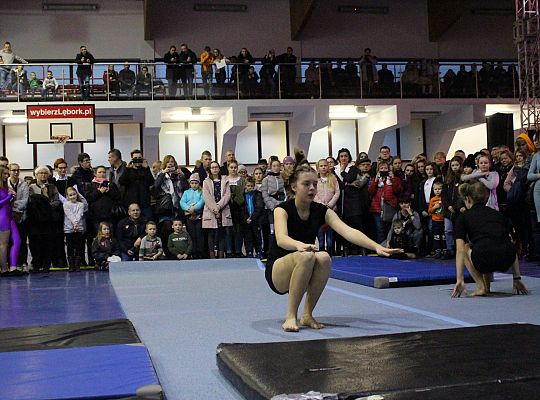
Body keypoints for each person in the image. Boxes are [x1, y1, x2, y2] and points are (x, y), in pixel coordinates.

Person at [267, 160, 401, 332]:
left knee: (323, 257)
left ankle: (307, 315)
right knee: (307, 255)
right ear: (294, 187)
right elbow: (281, 239)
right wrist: (300, 245)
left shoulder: (321, 210)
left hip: (303, 260)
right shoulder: (282, 210)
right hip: (278, 271)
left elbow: (347, 231)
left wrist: (376, 246)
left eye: (315, 184)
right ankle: (291, 316)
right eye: (306, 184)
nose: (312, 188)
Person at [452, 182, 528, 297]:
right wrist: (517, 278)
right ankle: (489, 286)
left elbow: (460, 250)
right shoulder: (498, 214)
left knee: (469, 247)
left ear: (468, 199)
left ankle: (481, 286)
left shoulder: (463, 217)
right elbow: (512, 243)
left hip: (484, 257)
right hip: (506, 259)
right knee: (499, 243)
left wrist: (460, 279)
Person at [27, 166, 62, 272]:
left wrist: (46, 205)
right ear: (36, 175)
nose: (43, 175)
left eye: (45, 173)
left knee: (48, 242)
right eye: (41, 173)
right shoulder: (31, 187)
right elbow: (31, 202)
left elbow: (57, 201)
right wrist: (44, 204)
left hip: (49, 219)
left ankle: (47, 264)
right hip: (35, 219)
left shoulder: (52, 187)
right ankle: (36, 264)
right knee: (35, 243)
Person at [202, 161, 232, 258]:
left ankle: (220, 254)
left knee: (222, 232)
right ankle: (212, 255)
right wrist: (215, 209)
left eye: (216, 167)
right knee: (211, 233)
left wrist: (219, 207)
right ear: (210, 170)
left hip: (223, 209)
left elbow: (227, 195)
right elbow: (207, 197)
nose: (215, 169)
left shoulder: (225, 180)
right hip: (211, 211)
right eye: (212, 167)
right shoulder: (206, 182)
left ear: (219, 168)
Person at [368, 161, 402, 244]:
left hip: (390, 208)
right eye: (381, 168)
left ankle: (391, 246)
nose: (383, 170)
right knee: (380, 230)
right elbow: (370, 192)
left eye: (385, 168)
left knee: (390, 229)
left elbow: (398, 190)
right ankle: (381, 248)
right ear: (378, 170)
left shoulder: (395, 179)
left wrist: (392, 178)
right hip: (377, 209)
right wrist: (376, 181)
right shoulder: (374, 180)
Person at [119, 149, 154, 222]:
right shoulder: (128, 170)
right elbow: (121, 182)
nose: (137, 160)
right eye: (135, 159)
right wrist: (127, 169)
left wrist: (147, 168)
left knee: (147, 223)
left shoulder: (145, 170)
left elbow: (151, 182)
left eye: (139, 158)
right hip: (131, 204)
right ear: (132, 160)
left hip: (144, 203)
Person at [314, 159, 340, 255]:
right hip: (319, 210)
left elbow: (337, 192)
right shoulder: (316, 180)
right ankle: (321, 249)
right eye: (321, 166)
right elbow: (314, 194)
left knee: (330, 233)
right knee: (320, 232)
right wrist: (321, 204)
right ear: (318, 168)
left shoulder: (333, 178)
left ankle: (330, 250)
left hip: (331, 209)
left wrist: (330, 204)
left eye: (325, 165)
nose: (323, 167)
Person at [85, 165, 121, 233]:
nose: (102, 174)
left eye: (104, 172)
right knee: (98, 235)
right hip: (96, 216)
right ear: (95, 174)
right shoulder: (90, 185)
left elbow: (117, 197)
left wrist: (109, 191)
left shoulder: (111, 184)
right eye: (100, 172)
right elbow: (88, 198)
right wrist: (99, 192)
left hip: (110, 215)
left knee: (110, 234)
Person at [0, 165, 22, 276]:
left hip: (9, 216)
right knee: (3, 244)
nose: (7, 176)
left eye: (7, 174)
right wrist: (9, 197)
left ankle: (13, 267)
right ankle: (4, 269)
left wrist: (11, 197)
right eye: (4, 174)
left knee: (17, 240)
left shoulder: (4, 186)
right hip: (2, 217)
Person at [7, 163, 29, 270]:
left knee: (22, 240)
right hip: (7, 217)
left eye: (17, 170)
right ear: (9, 171)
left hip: (21, 216)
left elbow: (24, 202)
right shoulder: (5, 183)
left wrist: (12, 205)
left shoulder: (24, 184)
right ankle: (11, 263)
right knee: (9, 241)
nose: (16, 172)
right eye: (13, 170)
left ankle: (23, 262)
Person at [442, 156, 464, 259]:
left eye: (456, 165)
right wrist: (448, 205)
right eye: (453, 165)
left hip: (459, 210)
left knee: (459, 230)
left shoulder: (463, 178)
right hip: (448, 210)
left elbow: (462, 195)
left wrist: (455, 207)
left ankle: (459, 249)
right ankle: (449, 249)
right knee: (448, 230)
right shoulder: (447, 179)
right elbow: (444, 195)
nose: (455, 167)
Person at [180, 173, 205, 259]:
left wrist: (194, 208)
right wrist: (188, 209)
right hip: (189, 216)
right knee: (191, 234)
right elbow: (182, 202)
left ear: (199, 183)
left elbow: (202, 202)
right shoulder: (186, 192)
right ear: (190, 183)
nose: (194, 185)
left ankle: (200, 251)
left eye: (196, 183)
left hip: (198, 215)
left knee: (199, 234)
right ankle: (193, 251)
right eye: (192, 183)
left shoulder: (201, 192)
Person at [63, 187, 88, 271]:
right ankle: (71, 265)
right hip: (69, 228)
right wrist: (74, 223)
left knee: (79, 246)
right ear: (67, 196)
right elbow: (69, 214)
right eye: (70, 195)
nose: (73, 196)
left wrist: (76, 224)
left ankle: (77, 265)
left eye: (74, 194)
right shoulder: (66, 204)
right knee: (70, 246)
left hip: (79, 228)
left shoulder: (81, 204)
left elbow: (80, 214)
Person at [242, 177, 264, 258]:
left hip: (256, 220)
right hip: (247, 220)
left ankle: (259, 251)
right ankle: (249, 251)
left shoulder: (258, 194)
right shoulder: (243, 196)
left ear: (254, 186)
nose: (250, 187)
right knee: (248, 237)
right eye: (248, 186)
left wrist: (252, 218)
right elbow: (242, 208)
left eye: (251, 186)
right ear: (245, 186)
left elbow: (259, 207)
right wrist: (246, 218)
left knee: (257, 236)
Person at [428, 181, 445, 258]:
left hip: (443, 220)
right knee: (436, 236)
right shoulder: (432, 199)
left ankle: (444, 250)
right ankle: (437, 250)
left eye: (439, 189)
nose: (437, 191)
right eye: (435, 189)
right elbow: (429, 211)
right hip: (435, 221)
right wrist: (434, 207)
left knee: (443, 236)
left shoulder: (444, 198)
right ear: (433, 190)